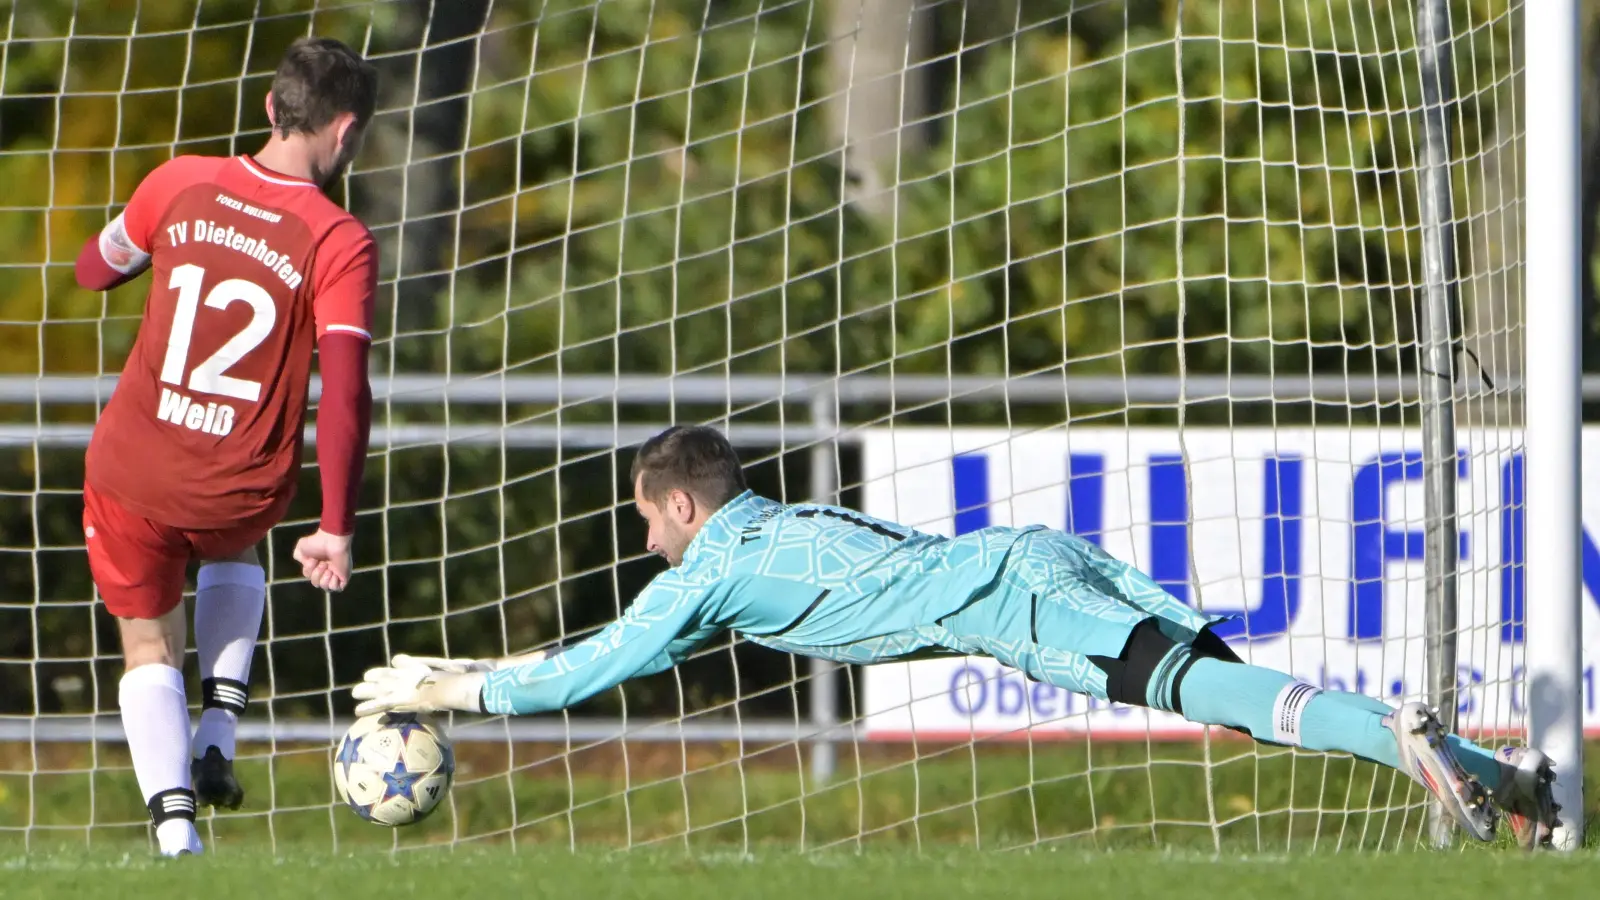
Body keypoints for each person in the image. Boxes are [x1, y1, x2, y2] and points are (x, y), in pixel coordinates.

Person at [354, 425, 1560, 850]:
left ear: (680, 506)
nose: (650, 550)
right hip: (1033, 558)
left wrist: (453, 687)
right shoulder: (780, 518)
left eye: (649, 527)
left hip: (1015, 604)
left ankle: (1407, 741)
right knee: (1222, 687)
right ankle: (1512, 786)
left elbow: (593, 666)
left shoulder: (704, 571)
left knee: (1220, 698)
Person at [75, 36, 379, 856]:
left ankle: (176, 832)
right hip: (236, 489)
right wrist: (338, 523)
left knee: (147, 642)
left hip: (130, 473)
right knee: (240, 531)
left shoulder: (177, 180)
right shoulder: (338, 237)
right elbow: (347, 391)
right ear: (346, 132)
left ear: (272, 109)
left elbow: (92, 271)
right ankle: (220, 727)